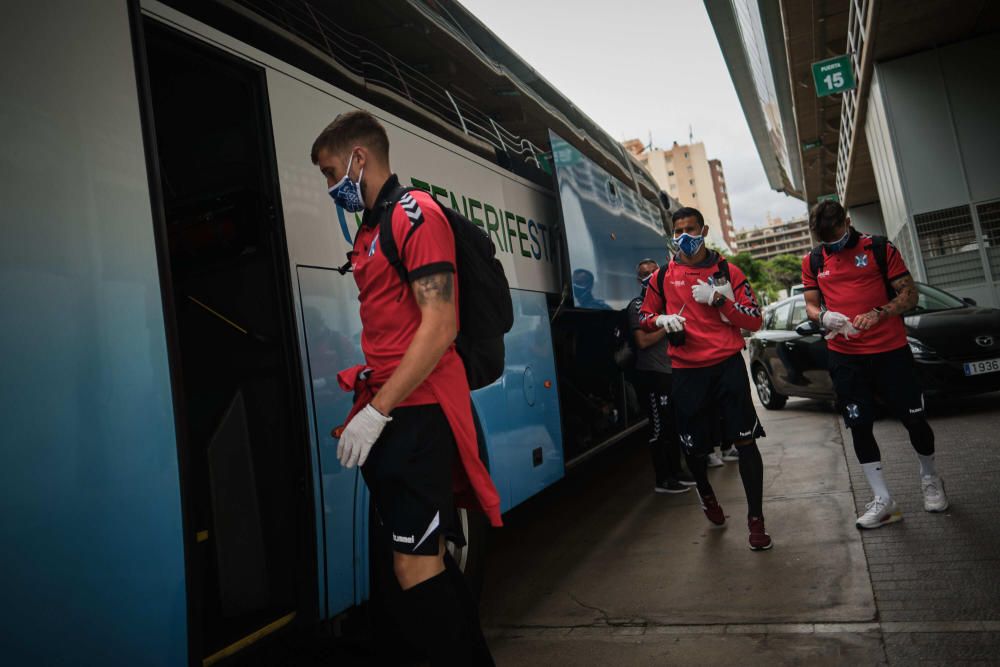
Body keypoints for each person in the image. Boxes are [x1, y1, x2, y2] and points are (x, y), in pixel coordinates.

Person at [312, 110, 497, 665]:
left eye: (329, 171)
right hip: (396, 415)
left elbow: (439, 325)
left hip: (416, 415)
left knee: (414, 570)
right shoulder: (373, 225)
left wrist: (378, 412)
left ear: (358, 159)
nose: (329, 185)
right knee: (419, 568)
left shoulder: (415, 214)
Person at [802, 200, 947, 529]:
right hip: (844, 355)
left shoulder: (878, 247)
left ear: (848, 221)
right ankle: (884, 501)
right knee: (859, 425)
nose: (831, 243)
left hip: (890, 351)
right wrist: (825, 316)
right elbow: (811, 305)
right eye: (824, 239)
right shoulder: (813, 259)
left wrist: (878, 313)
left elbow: (910, 295)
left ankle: (930, 478)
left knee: (914, 421)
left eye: (835, 235)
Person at [640, 207, 772, 551]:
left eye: (691, 229)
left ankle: (756, 521)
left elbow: (754, 320)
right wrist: (661, 321)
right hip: (686, 371)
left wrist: (719, 299)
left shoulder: (727, 270)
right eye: (678, 230)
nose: (684, 236)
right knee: (694, 447)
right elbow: (644, 315)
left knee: (745, 442)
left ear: (704, 230)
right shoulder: (663, 276)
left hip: (727, 366)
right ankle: (706, 493)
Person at [629, 258, 696, 494]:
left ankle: (677, 471)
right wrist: (665, 325)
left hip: (672, 370)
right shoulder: (638, 305)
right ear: (639, 279)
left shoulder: (666, 301)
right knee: (659, 428)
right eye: (644, 273)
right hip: (652, 374)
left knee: (674, 424)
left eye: (653, 271)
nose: (649, 276)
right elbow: (642, 341)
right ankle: (663, 478)